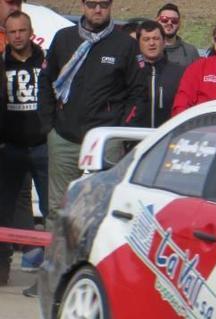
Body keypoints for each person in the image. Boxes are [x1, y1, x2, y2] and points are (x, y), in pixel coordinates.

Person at [38, 0, 146, 233]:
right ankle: (55, 265)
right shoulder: (63, 38)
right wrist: (49, 126)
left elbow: (138, 92)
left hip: (104, 142)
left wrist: (119, 131)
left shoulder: (125, 44)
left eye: (103, 4)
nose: (98, 9)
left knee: (100, 209)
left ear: (111, 6)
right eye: (92, 4)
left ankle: (91, 267)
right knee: (58, 209)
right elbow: (46, 81)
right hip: (64, 137)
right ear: (83, 5)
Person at [0, 10, 47, 291]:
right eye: (12, 31)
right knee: (3, 212)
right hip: (10, 146)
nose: (18, 36)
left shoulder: (46, 61)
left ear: (31, 31)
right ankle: (2, 268)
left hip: (42, 145)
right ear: (7, 34)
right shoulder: (1, 64)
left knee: (52, 209)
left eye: (22, 30)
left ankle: (51, 274)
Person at [137, 20, 184, 128]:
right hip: (134, 139)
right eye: (146, 39)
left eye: (156, 38)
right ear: (138, 43)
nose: (152, 43)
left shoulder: (180, 73)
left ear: (164, 42)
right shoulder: (131, 73)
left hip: (168, 138)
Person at [156, 3, 199, 67]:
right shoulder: (149, 48)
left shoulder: (191, 51)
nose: (169, 23)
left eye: (174, 20)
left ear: (179, 24)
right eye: (164, 19)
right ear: (157, 21)